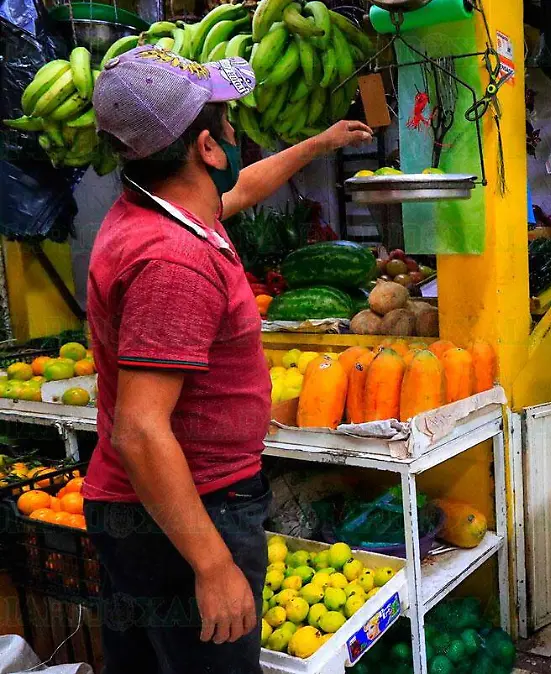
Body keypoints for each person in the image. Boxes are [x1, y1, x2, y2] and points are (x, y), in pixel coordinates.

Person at [83, 45, 372, 673]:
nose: (237, 133)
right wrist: (212, 565)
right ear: (208, 148)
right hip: (184, 519)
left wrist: (318, 145)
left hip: (158, 511)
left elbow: (240, 191)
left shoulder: (168, 213)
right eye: (229, 121)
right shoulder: (172, 261)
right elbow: (140, 428)